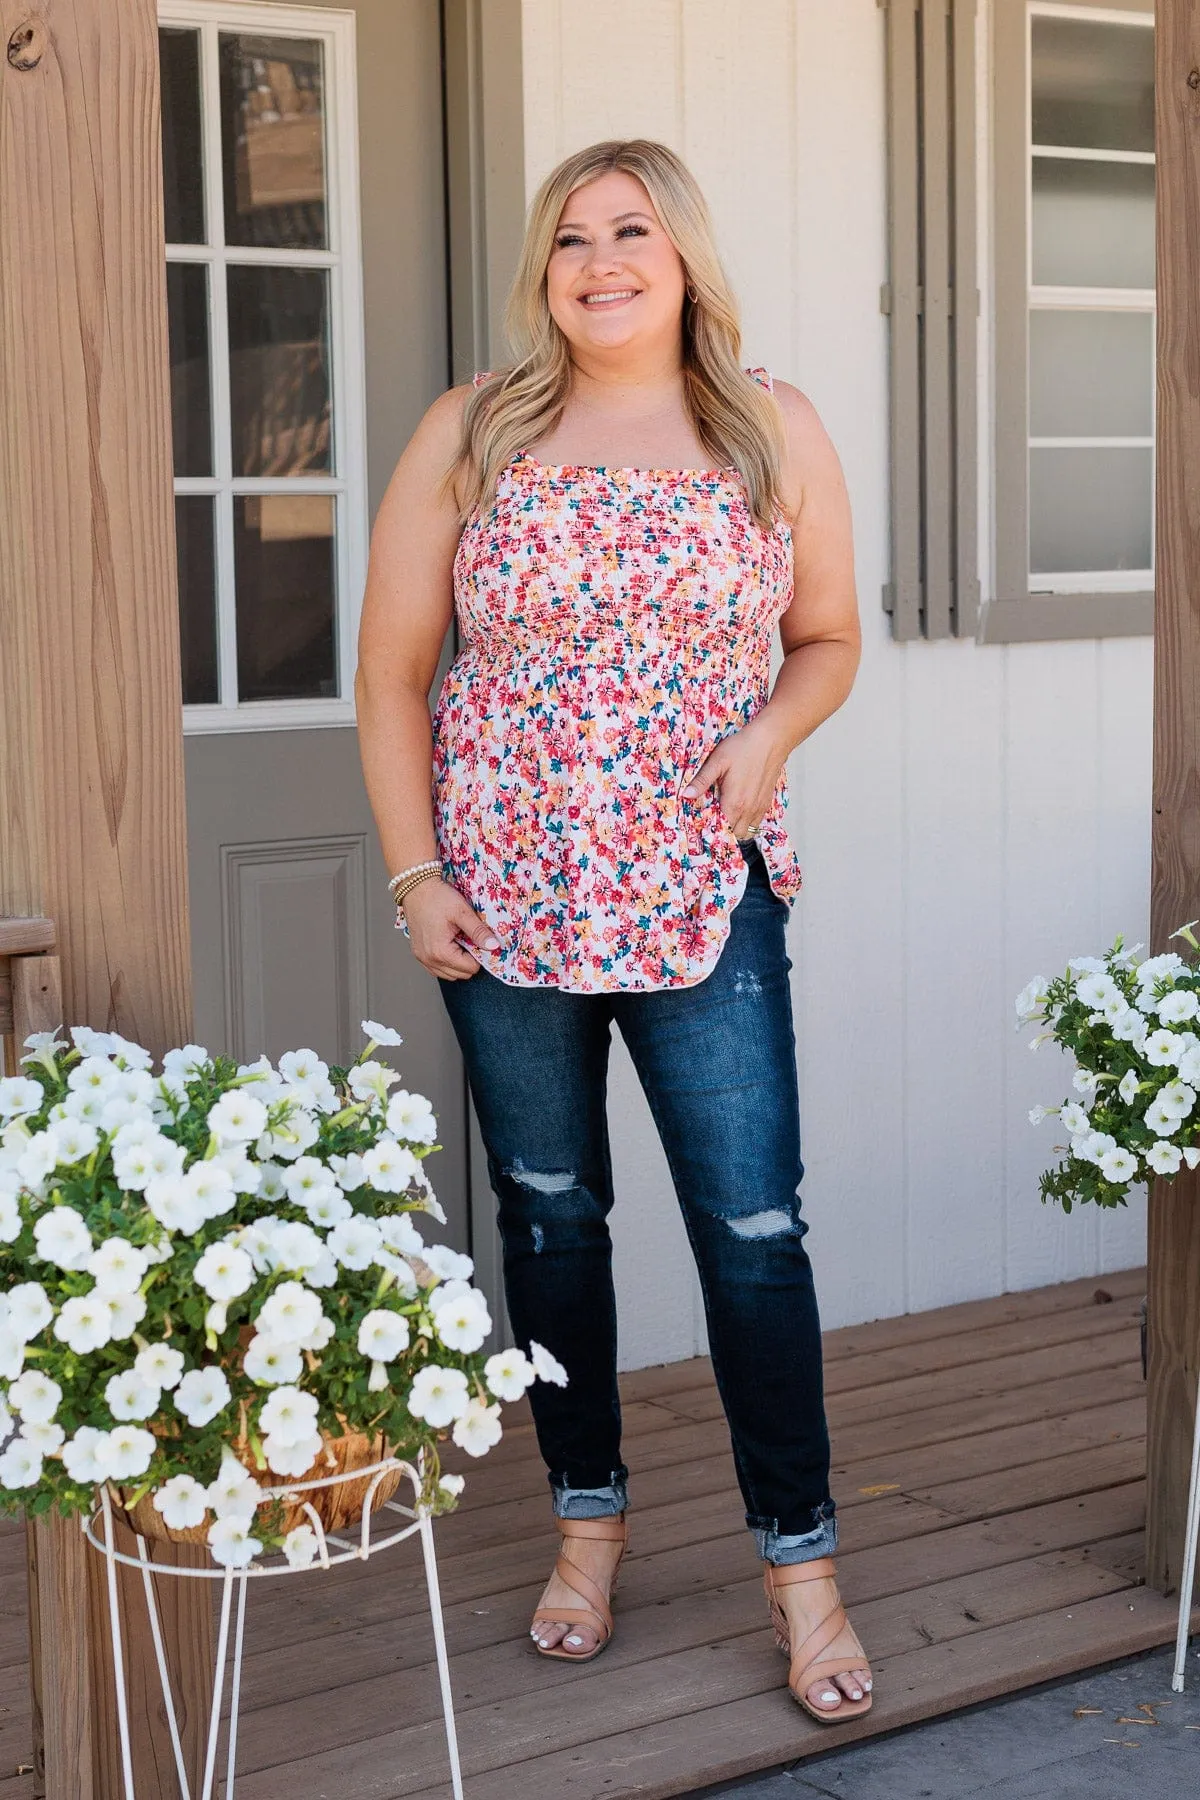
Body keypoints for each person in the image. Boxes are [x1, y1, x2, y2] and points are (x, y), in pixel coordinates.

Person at [355, 138, 868, 1721]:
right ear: (546, 268)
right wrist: (414, 875)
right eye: (572, 239)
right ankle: (587, 1529)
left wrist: (774, 733)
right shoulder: (474, 429)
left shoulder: (768, 427)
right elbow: (388, 678)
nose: (601, 262)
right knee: (555, 1223)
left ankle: (804, 1570)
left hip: (704, 894)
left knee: (753, 1237)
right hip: (505, 901)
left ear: (687, 254)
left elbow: (833, 637)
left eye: (632, 230)